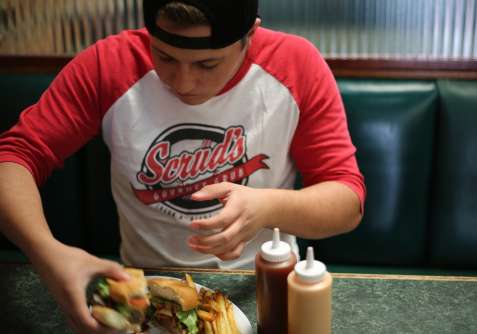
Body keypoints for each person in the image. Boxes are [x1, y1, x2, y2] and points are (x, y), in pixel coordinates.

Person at [0, 0, 365, 333]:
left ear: (250, 34)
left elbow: (347, 202)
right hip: (146, 290)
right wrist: (48, 254)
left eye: (208, 64)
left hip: (266, 288)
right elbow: (14, 155)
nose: (182, 83)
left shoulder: (295, 64)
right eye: (164, 57)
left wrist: (267, 207)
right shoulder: (109, 63)